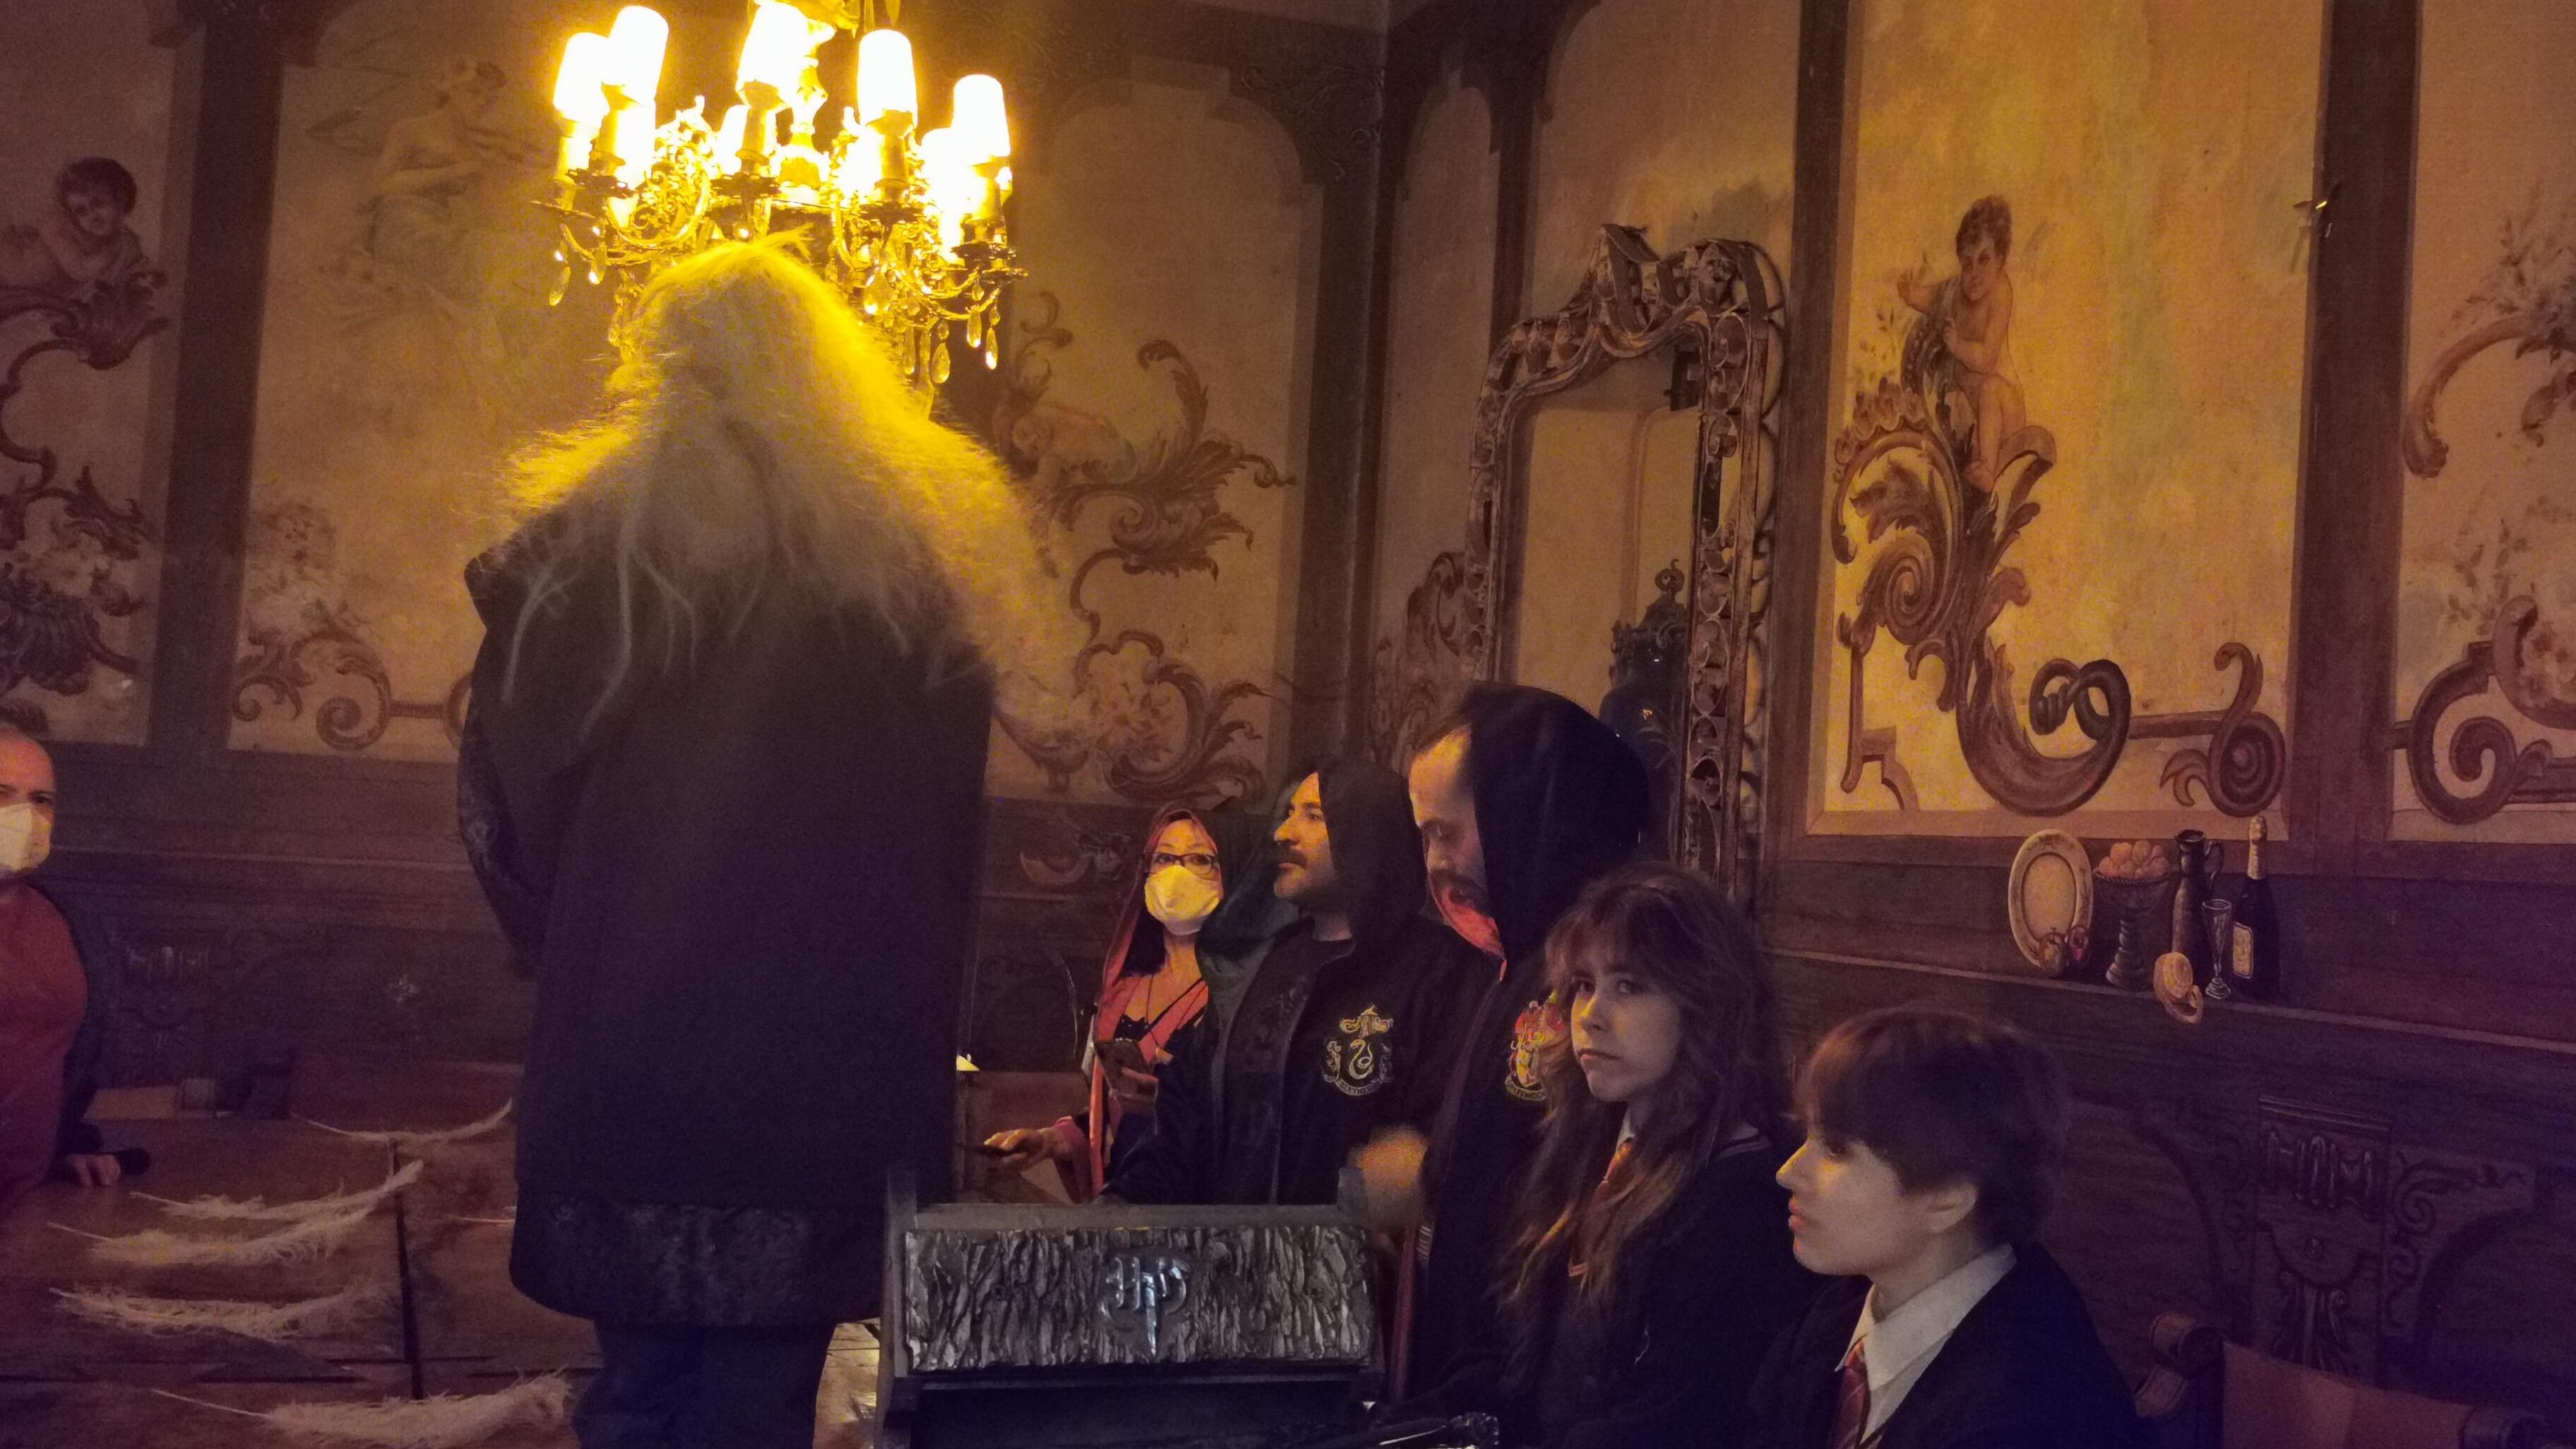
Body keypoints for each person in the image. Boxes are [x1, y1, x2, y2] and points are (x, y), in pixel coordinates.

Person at [457, 240, 1066, 1449]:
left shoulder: (587, 559)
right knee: (758, 1404)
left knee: (634, 1392)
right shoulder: (900, 578)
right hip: (821, 1069)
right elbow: (940, 848)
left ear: (666, 371)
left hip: (628, 1052)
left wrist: (566, 942)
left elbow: (502, 802)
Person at [1412, 863, 1814, 1448]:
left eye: (1629, 986)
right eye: (1584, 985)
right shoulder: (1585, 1143)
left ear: (1704, 1004)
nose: (1590, 1016)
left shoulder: (1738, 1195)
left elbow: (1670, 1422)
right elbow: (1512, 1357)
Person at [1390, 684, 1652, 1394]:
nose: (1433, 862)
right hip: (1473, 1346)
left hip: (1537, 1367)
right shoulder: (1510, 955)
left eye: (1446, 832)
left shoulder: (1604, 965)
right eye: (1424, 837)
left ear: (1522, 817)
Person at [1751, 1008, 2145, 1449]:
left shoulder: (2029, 1413)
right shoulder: (1840, 1310)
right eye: (1807, 1135)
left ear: (1947, 1200)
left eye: (1837, 1150)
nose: (1787, 1172)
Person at [1102, 758, 1486, 1207]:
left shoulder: (1443, 971)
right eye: (1287, 815)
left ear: (1367, 832)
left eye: (1313, 816)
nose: (1283, 834)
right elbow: (1184, 1121)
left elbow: (1458, 1133)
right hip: (1235, 1244)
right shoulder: (1257, 965)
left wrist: (1420, 1172)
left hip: (1356, 1249)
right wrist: (1119, 1208)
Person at [982, 805, 1282, 1199]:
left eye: (1199, 859)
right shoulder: (1124, 986)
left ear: (1235, 872)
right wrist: (1051, 1140)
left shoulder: (1248, 995)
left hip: (1198, 1202)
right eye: (1164, 858)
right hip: (1123, 1198)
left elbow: (1260, 1124)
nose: (1176, 874)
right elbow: (1109, 1115)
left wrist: (1173, 1103)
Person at [0, 728, 138, 1217]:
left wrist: (68, 1145)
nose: (24, 816)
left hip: (25, 1203)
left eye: (41, 800)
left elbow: (56, 1059)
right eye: (1, 793)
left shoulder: (75, 924)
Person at [1897, 195, 2023, 489]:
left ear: (2001, 260)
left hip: (2005, 409)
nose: (1974, 274)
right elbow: (1933, 297)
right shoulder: (1956, 292)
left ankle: (1988, 469)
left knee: (1989, 389)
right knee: (1950, 404)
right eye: (1967, 263)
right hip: (1976, 418)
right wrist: (1910, 293)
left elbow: (1986, 360)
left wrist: (1957, 347)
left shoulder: (2000, 292)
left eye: (1984, 260)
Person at [0, 157, 148, 297]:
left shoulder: (129, 241)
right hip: (8, 267)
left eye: (98, 204)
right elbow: (81, 271)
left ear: (121, 199)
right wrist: (113, 251)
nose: (93, 217)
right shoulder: (58, 224)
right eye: (81, 211)